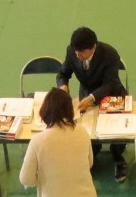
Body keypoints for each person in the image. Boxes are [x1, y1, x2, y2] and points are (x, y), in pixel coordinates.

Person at [19, 87, 101, 197]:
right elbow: (89, 162)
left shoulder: (37, 142)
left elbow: (26, 178)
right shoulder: (82, 132)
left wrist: (43, 177)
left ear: (45, 112)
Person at [55, 27, 128, 183]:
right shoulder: (72, 51)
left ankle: (118, 157)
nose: (77, 55)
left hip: (112, 95)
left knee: (117, 130)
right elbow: (63, 73)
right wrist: (63, 87)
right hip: (86, 93)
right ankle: (93, 152)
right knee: (87, 131)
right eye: (76, 51)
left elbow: (110, 84)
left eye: (81, 52)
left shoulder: (110, 54)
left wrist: (92, 98)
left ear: (93, 47)